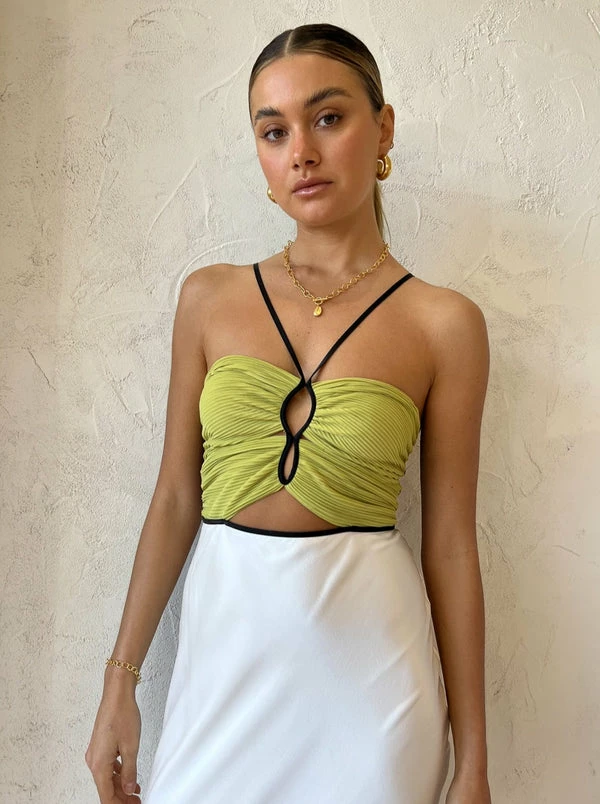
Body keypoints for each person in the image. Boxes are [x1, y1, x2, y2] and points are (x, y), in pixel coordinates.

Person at [85, 22, 491, 804]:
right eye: (274, 131)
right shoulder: (209, 298)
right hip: (223, 672)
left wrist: (472, 761)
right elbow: (175, 498)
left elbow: (450, 546)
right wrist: (119, 684)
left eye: (328, 118)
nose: (301, 151)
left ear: (384, 129)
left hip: (374, 693)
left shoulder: (444, 324)